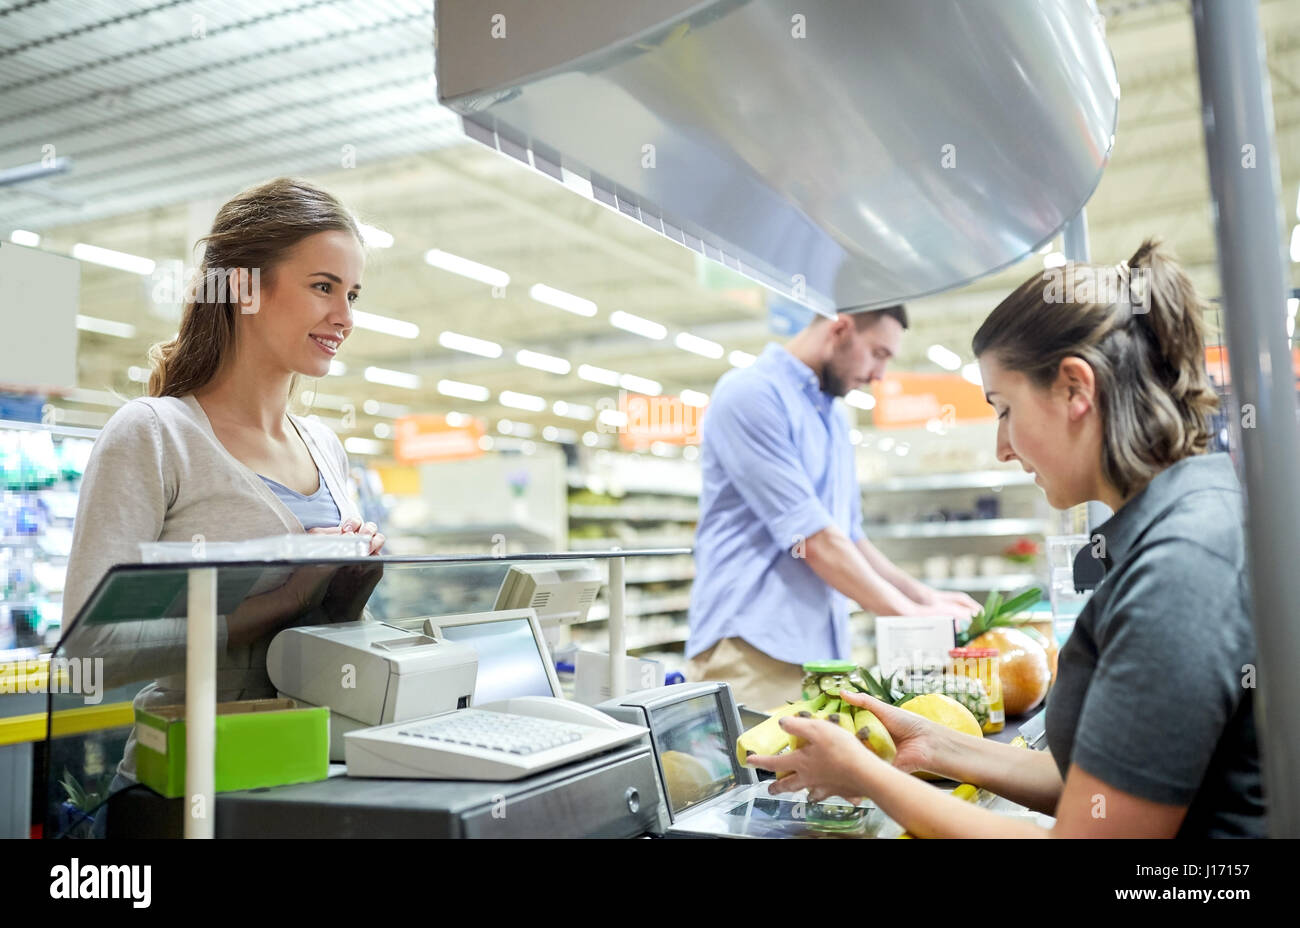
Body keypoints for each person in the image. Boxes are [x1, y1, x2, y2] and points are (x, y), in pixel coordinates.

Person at [748, 240, 1266, 838]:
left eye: (1003, 408)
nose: (1002, 446)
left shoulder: (1181, 567)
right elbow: (1090, 790)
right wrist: (931, 745)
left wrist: (868, 777)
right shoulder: (1182, 521)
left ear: (1076, 388)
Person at [62, 178, 386, 801]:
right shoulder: (155, 435)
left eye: (352, 294)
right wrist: (278, 599)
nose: (344, 316)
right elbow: (89, 652)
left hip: (310, 769)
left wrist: (349, 580)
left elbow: (315, 635)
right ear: (241, 288)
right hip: (192, 789)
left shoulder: (325, 445)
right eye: (323, 287)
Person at [687, 306, 980, 712]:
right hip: (751, 652)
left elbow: (848, 537)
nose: (880, 375)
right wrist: (908, 616)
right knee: (758, 776)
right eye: (878, 353)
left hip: (821, 656)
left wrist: (925, 598)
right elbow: (812, 541)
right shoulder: (750, 394)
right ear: (840, 329)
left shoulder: (835, 416)